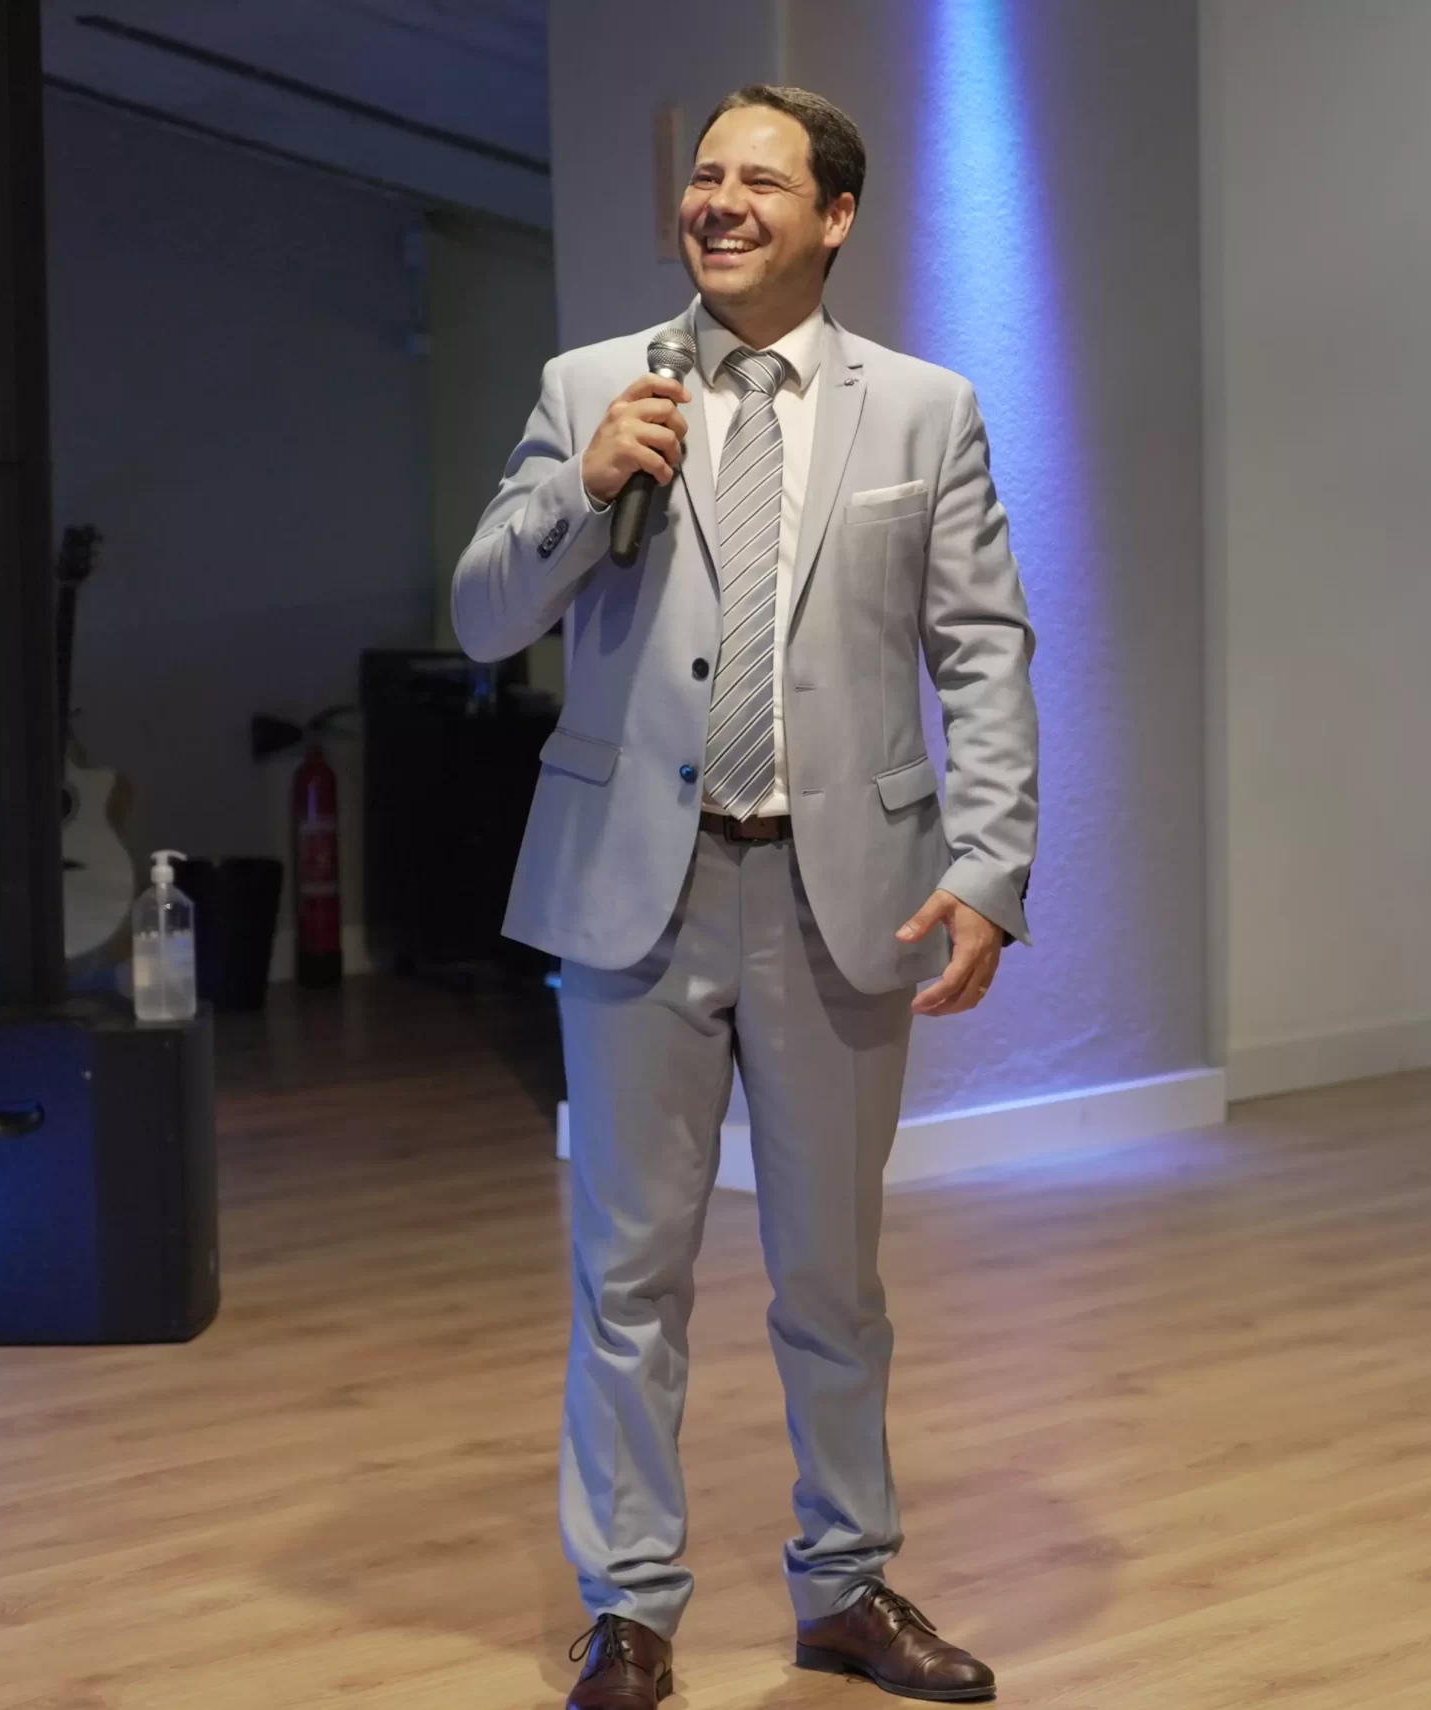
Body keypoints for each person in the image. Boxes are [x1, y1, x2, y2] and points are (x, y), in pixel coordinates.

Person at [453, 85, 1037, 1710]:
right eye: (704, 176)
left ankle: (846, 1585)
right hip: (633, 890)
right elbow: (484, 617)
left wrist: (991, 865)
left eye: (758, 180)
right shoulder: (594, 387)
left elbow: (982, 650)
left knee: (833, 1279)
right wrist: (583, 489)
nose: (717, 201)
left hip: (841, 897)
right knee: (627, 1277)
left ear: (833, 216)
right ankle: (630, 1609)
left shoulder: (925, 411)